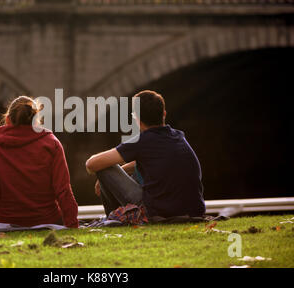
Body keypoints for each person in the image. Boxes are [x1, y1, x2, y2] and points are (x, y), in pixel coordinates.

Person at [85, 90, 205, 218]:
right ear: (164, 114)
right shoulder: (178, 136)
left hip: (157, 211)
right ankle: (119, 217)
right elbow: (151, 161)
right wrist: (123, 170)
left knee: (104, 168)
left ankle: (116, 219)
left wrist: (106, 178)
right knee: (139, 167)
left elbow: (91, 164)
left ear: (137, 119)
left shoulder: (142, 141)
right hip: (194, 210)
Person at [0, 96, 79, 231]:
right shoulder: (51, 143)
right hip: (47, 222)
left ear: (7, 119)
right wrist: (72, 225)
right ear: (37, 121)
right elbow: (63, 190)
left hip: (3, 224)